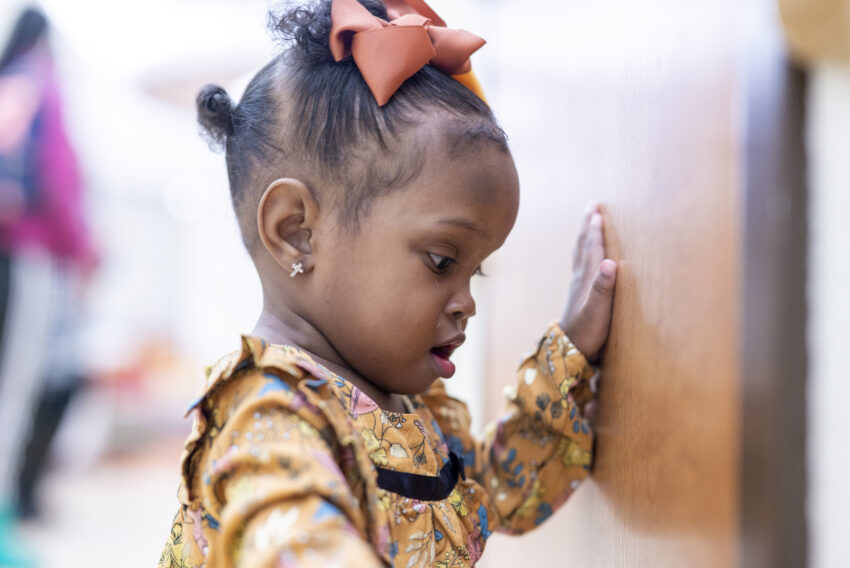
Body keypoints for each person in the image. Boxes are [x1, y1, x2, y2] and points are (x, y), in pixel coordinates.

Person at [159, 0, 617, 566]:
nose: (467, 303)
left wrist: (569, 353)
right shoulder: (269, 419)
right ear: (297, 232)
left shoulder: (412, 407)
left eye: (476, 270)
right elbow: (294, 539)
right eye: (442, 260)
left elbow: (502, 491)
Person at [0, 4, 96, 546]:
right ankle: (2, 528)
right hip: (24, 255)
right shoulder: (40, 87)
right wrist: (80, 251)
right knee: (12, 394)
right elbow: (58, 184)